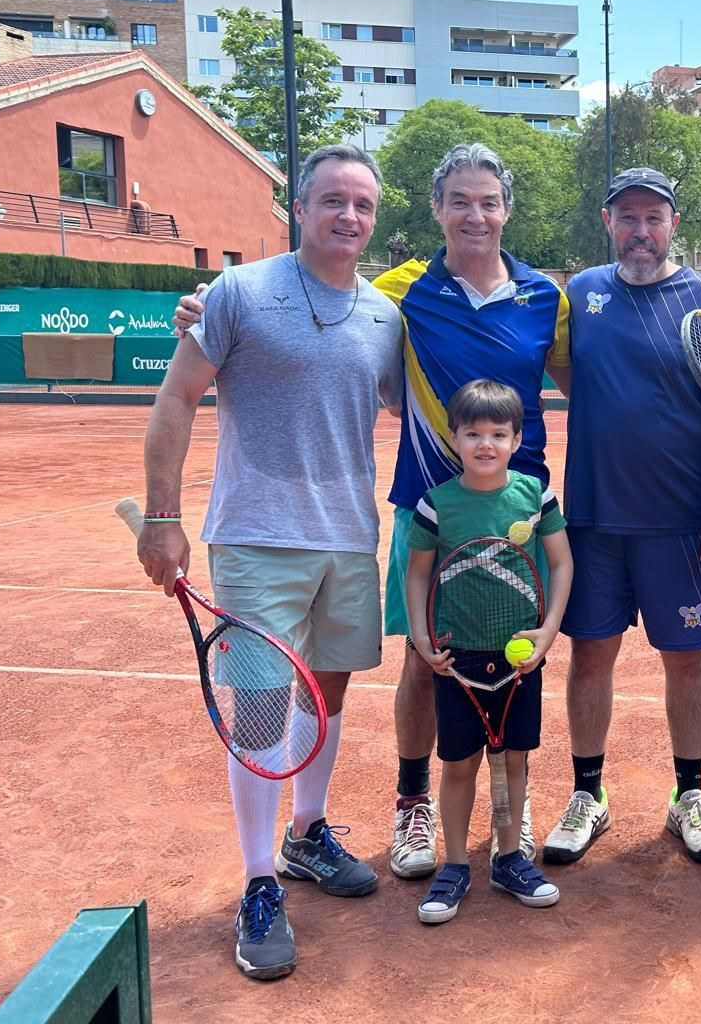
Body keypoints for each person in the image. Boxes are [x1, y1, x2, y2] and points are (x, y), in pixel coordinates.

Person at [173, 142, 568, 879]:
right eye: (459, 201)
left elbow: (584, 378)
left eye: (488, 202)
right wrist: (206, 306)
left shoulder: (547, 297)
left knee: (515, 660)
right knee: (423, 658)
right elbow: (324, 291)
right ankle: (412, 803)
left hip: (515, 518)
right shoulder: (397, 292)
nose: (475, 215)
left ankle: (509, 818)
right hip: (428, 511)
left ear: (508, 210)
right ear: (436, 210)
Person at [138, 144, 403, 980]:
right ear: (300, 208)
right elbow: (177, 398)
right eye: (333, 200)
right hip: (255, 536)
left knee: (326, 694)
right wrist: (162, 517)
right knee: (259, 713)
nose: (348, 216)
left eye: (362, 204)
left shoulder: (385, 317)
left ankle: (306, 835)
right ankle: (259, 881)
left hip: (348, 539)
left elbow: (422, 405)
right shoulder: (239, 293)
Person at [541, 168, 701, 867]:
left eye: (653, 218)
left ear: (673, 225)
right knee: (589, 657)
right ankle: (588, 796)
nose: (641, 231)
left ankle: (689, 795)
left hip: (681, 522)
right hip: (595, 521)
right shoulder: (581, 294)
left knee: (685, 661)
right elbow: (573, 377)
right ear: (608, 222)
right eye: (627, 217)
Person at [404, 380, 571, 922]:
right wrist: (422, 638)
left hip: (519, 657)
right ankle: (455, 865)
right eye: (473, 433)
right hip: (458, 660)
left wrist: (548, 630)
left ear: (517, 439)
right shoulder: (436, 505)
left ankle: (508, 858)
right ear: (454, 438)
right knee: (459, 765)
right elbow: (417, 574)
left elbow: (562, 563)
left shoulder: (536, 495)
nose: (485, 444)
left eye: (498, 434)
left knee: (514, 762)